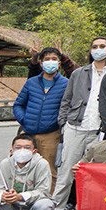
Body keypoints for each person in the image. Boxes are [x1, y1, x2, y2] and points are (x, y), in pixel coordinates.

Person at [50, 37, 106, 210]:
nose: (98, 49)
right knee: (66, 170)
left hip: (99, 131)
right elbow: (66, 99)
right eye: (95, 46)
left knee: (94, 173)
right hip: (75, 127)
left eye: (102, 46)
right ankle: (56, 209)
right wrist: (63, 123)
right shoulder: (79, 73)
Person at [12, 46, 67, 189]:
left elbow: (68, 107)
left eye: (54, 59)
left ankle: (47, 199)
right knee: (22, 167)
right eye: (47, 59)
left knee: (49, 171)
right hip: (28, 133)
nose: (50, 62)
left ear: (59, 63)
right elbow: (18, 104)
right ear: (41, 63)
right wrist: (24, 120)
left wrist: (57, 123)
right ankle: (20, 196)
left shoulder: (66, 84)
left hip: (51, 134)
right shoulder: (31, 82)